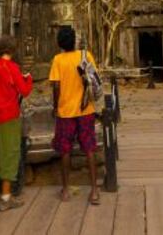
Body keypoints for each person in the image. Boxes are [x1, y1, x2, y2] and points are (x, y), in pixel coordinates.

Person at [49, 27, 100, 204]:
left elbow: (55, 86)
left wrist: (55, 107)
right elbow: (94, 79)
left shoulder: (58, 60)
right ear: (74, 41)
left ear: (59, 43)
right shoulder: (86, 55)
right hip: (86, 109)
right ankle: (94, 190)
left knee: (65, 150)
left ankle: (65, 190)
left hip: (65, 112)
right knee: (89, 148)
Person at [0, 35, 33, 211]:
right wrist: (28, 78)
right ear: (13, 50)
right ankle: (6, 197)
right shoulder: (12, 68)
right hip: (10, 117)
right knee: (10, 154)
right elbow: (24, 91)